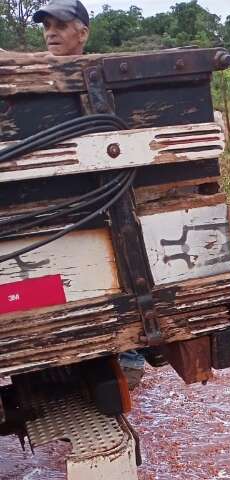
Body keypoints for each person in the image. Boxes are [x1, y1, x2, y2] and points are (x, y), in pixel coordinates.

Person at [33, 0, 146, 390]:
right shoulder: (27, 77)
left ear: (83, 33)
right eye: (46, 25)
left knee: (114, 268)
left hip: (109, 203)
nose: (50, 33)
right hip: (46, 209)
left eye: (60, 25)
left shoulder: (103, 74)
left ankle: (127, 353)